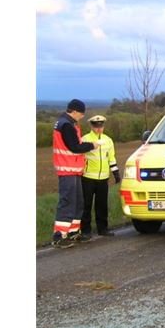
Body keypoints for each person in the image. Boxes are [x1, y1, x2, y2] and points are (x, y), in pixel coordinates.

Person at [52, 99, 99, 248]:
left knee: (78, 202)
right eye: (81, 114)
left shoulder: (67, 123)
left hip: (73, 169)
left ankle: (72, 232)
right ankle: (59, 236)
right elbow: (74, 147)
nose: (82, 117)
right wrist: (92, 145)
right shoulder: (66, 125)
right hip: (67, 169)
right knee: (68, 202)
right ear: (75, 111)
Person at [81, 114, 121, 238]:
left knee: (102, 204)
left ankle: (103, 229)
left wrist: (116, 173)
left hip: (103, 177)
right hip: (88, 177)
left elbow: (111, 157)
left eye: (101, 126)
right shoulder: (85, 139)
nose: (99, 128)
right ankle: (86, 231)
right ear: (91, 126)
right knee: (86, 205)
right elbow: (80, 157)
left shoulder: (108, 140)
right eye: (96, 126)